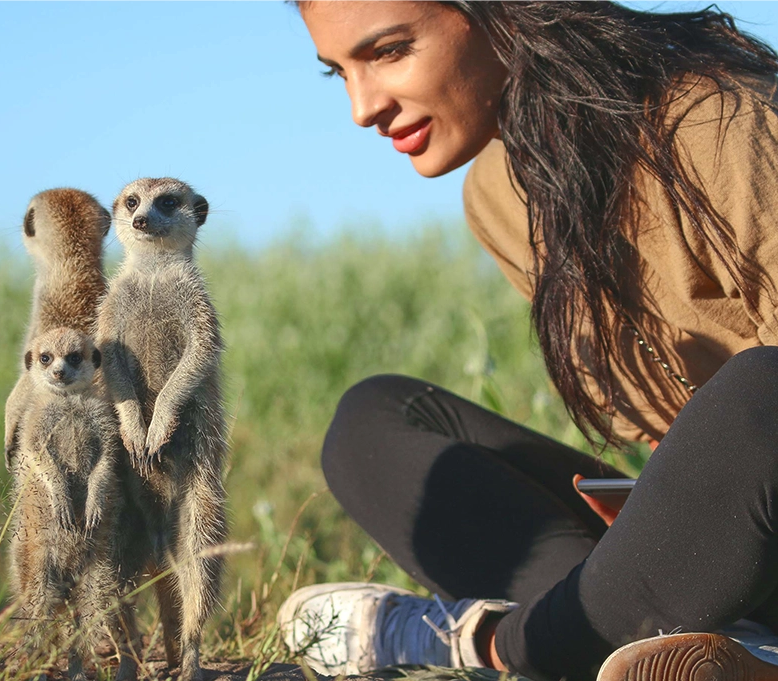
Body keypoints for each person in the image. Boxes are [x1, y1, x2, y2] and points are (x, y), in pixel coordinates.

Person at [275, 2, 778, 680]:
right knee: (375, 422)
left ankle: (491, 644)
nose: (362, 107)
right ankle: (697, 648)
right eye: (337, 73)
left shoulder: (718, 117)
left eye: (389, 51)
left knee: (762, 387)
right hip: (716, 559)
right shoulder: (500, 194)